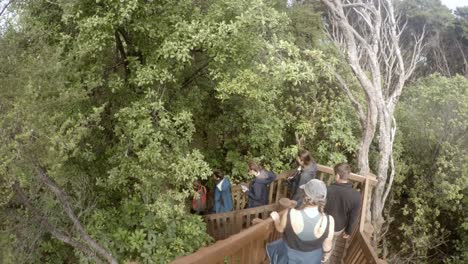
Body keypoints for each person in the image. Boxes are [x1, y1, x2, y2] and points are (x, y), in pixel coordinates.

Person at [268, 179, 334, 264]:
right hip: (312, 259)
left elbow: (280, 229)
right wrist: (327, 254)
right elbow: (326, 246)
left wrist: (277, 219)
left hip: (289, 258)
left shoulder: (290, 213)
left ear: (304, 196)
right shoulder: (329, 220)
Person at [324, 163, 361, 263]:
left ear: (337, 176)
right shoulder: (356, 196)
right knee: (331, 242)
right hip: (337, 228)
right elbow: (353, 217)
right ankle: (325, 258)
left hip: (322, 223)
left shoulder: (327, 190)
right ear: (348, 176)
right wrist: (348, 231)